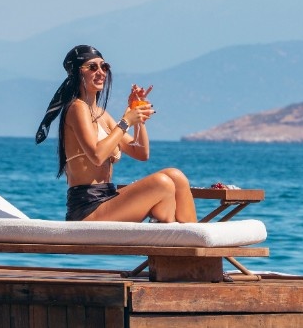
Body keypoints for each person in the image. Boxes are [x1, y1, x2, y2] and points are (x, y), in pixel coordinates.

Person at [34, 44, 198, 223]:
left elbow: (141, 153)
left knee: (176, 176)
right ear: (77, 73)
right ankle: (180, 237)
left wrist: (137, 116)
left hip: (108, 198)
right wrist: (126, 121)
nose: (101, 72)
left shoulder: (102, 114)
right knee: (162, 183)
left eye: (104, 67)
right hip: (87, 209)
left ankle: (193, 241)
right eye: (92, 67)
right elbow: (96, 155)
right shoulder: (76, 108)